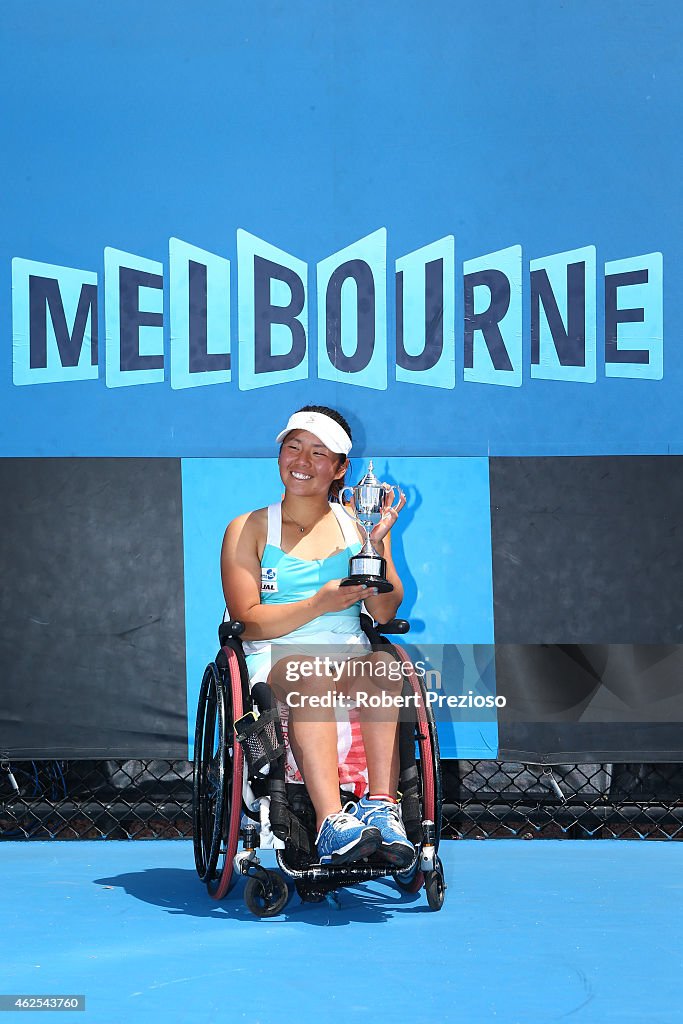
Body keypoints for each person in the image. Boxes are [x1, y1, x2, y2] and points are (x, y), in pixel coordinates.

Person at [220, 405, 415, 867]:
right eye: (293, 447)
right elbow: (246, 620)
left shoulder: (356, 527)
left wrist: (379, 542)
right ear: (280, 454)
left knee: (385, 666)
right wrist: (320, 603)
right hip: (275, 657)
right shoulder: (246, 529)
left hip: (347, 651)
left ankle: (383, 809)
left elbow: (384, 611)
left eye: (318, 452)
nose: (302, 461)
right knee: (309, 675)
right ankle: (332, 824)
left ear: (340, 468)